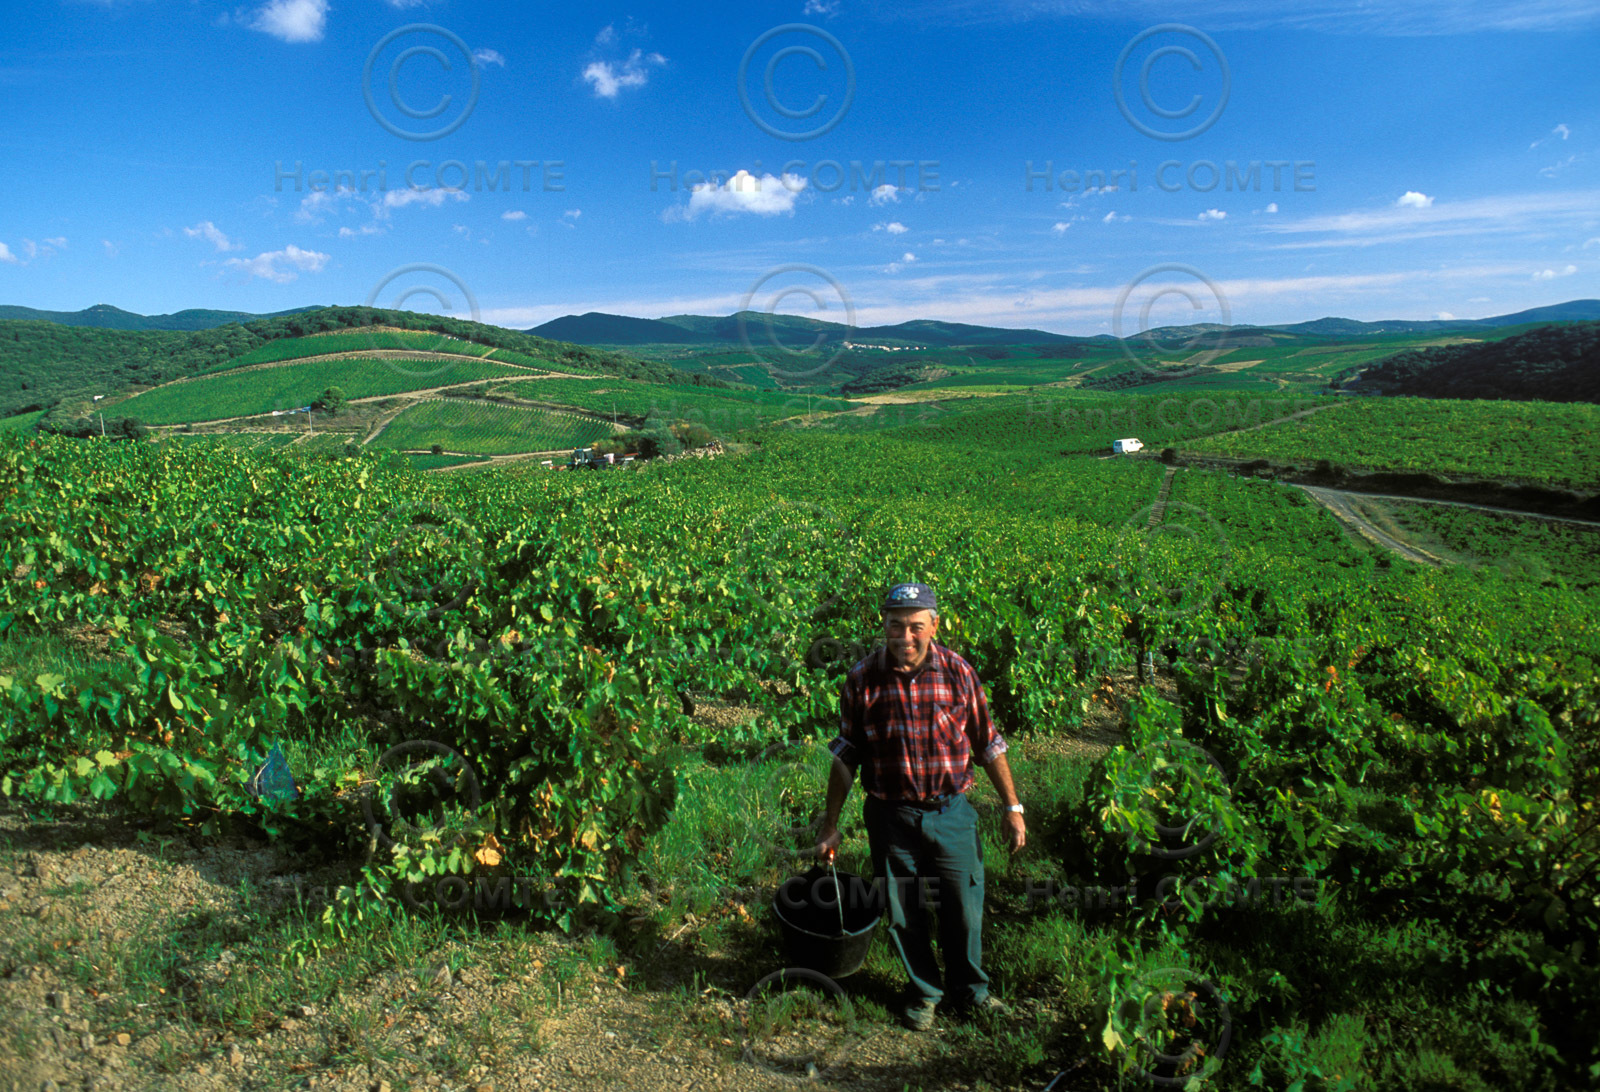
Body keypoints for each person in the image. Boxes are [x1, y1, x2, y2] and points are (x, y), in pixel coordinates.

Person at [813, 582, 1026, 1032]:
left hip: (951, 812)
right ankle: (925, 991)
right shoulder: (862, 679)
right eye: (896, 625)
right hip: (891, 816)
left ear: (934, 625)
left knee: (963, 906)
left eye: (915, 626)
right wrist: (830, 823)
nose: (905, 636)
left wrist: (1013, 806)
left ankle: (971, 991)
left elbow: (988, 742)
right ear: (884, 625)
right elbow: (847, 753)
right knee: (904, 910)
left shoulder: (958, 673)